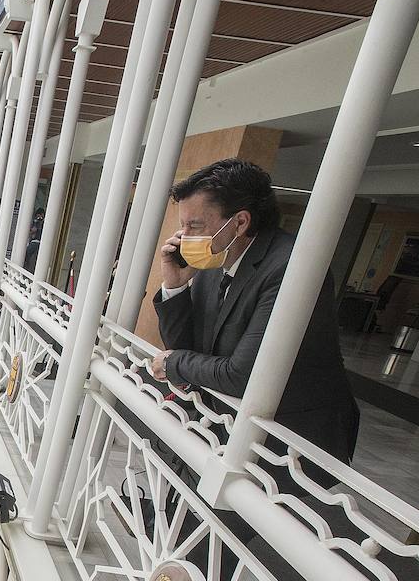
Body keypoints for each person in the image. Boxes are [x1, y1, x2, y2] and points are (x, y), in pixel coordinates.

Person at [151, 158, 358, 465]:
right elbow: (189, 348)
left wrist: (174, 363)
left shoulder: (292, 268)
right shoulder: (214, 257)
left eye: (195, 225)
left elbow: (242, 375)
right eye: (183, 225)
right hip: (216, 425)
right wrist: (176, 285)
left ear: (240, 222)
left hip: (284, 448)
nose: (185, 236)